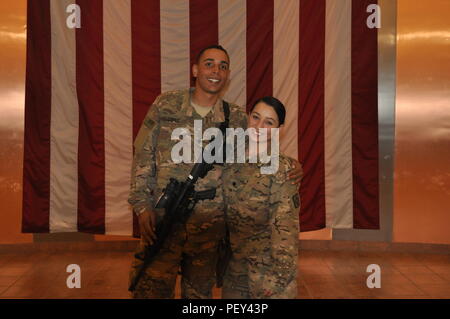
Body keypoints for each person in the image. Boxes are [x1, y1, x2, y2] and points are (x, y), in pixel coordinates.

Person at [128, 45, 302, 299]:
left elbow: (259, 149)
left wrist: (293, 165)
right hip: (163, 219)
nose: (215, 71)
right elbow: (143, 154)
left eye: (222, 66)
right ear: (195, 70)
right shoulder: (166, 104)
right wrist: (142, 206)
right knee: (150, 291)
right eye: (209, 64)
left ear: (227, 75)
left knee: (199, 299)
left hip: (208, 232)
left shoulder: (237, 117)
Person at [221, 96, 301, 299]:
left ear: (279, 129)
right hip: (235, 268)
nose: (259, 126)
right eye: (256, 117)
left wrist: (279, 279)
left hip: (267, 272)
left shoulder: (281, 168)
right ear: (248, 118)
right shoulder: (230, 159)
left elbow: (285, 229)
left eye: (269, 122)